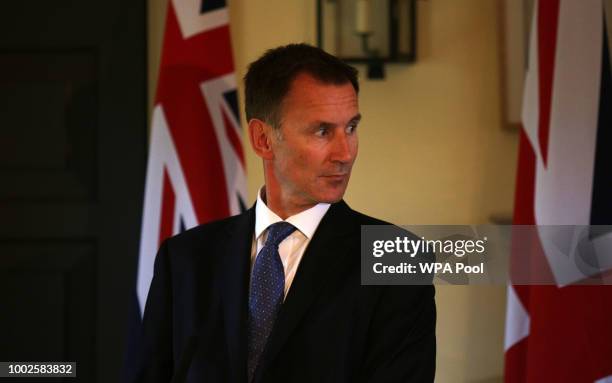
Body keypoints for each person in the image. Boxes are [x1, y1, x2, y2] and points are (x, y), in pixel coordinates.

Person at [128, 43, 435, 383]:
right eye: (322, 131)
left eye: (351, 128)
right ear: (263, 139)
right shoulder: (184, 258)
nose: (345, 153)